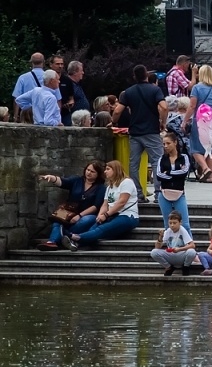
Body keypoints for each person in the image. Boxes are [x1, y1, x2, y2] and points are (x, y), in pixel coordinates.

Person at [114, 65, 168, 200]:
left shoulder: (128, 92)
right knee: (157, 162)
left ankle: (138, 194)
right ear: (146, 75)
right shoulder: (155, 90)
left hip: (135, 132)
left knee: (133, 164)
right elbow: (164, 107)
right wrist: (163, 122)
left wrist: (114, 121)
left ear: (134, 77)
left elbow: (117, 111)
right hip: (152, 131)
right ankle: (158, 194)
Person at [68, 160, 141, 249]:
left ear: (115, 170)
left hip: (128, 216)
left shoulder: (127, 182)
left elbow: (122, 202)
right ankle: (78, 244)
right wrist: (100, 215)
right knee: (94, 228)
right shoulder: (110, 186)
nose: (105, 171)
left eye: (108, 169)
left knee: (101, 229)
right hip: (113, 215)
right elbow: (105, 204)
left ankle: (75, 238)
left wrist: (106, 215)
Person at [36, 161, 106, 249]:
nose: (89, 173)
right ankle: (52, 242)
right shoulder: (77, 180)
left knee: (87, 220)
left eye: (92, 172)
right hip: (69, 211)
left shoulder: (101, 188)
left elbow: (95, 206)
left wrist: (79, 216)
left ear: (98, 174)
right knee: (57, 219)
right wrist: (52, 178)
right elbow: (63, 182)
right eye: (88, 170)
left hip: (86, 214)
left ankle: (65, 235)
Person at [152, 130, 193, 232]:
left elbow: (184, 172)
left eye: (168, 143)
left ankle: (189, 246)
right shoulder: (162, 158)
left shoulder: (184, 157)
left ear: (175, 143)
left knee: (185, 225)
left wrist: (168, 172)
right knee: (168, 225)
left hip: (179, 193)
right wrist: (175, 174)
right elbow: (158, 175)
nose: (165, 146)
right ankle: (170, 246)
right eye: (164, 144)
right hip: (165, 192)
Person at [188, 64, 212, 181]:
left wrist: (185, 121)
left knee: (195, 147)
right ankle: (210, 177)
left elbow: (192, 106)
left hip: (200, 118)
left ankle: (205, 168)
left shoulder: (197, 88)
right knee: (211, 148)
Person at [149, 211, 196, 276]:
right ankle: (169, 267)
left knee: (192, 252)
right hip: (170, 255)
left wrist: (179, 249)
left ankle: (186, 267)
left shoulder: (182, 230)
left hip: (181, 255)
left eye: (174, 223)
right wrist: (160, 237)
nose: (172, 225)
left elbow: (192, 245)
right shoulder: (168, 231)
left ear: (180, 223)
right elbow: (157, 247)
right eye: (170, 223)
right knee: (154, 252)